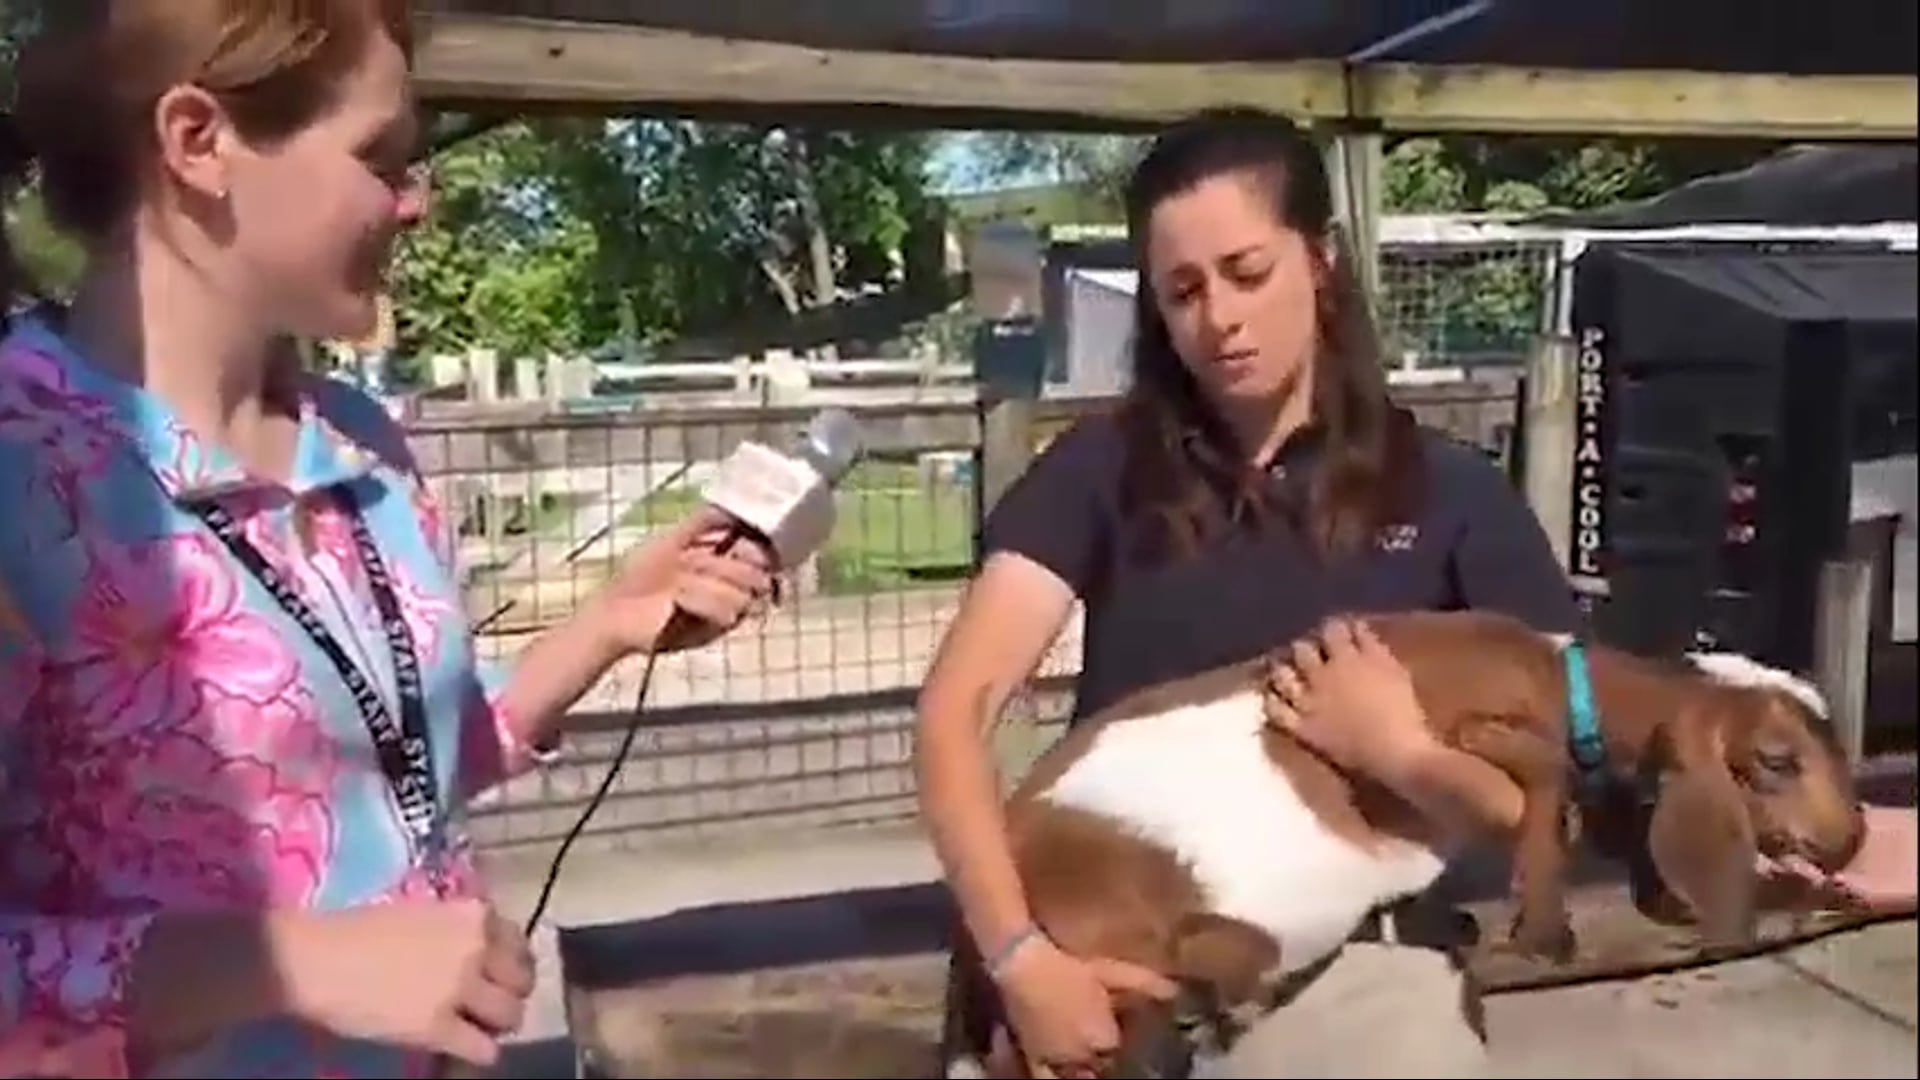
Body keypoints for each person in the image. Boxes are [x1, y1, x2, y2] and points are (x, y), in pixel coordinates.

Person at [912, 105, 1918, 1080]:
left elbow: (1552, 802)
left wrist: (1395, 752)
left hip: (1360, 962)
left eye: (1247, 272)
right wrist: (1018, 957)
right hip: (1116, 935)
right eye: (1180, 291)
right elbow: (956, 712)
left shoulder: (1450, 492)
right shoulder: (1100, 469)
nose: (1218, 317)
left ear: (1323, 260)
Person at [0, 3, 775, 1077]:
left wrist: (611, 625)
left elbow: (395, 765)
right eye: (382, 159)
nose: (417, 203)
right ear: (197, 142)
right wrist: (288, 966)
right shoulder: (23, 478)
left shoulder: (360, 446)